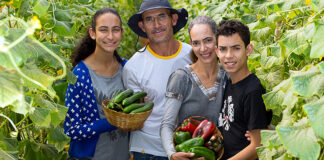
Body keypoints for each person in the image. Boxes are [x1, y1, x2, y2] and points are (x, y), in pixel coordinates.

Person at [122, 0, 192, 159]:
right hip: (148, 151)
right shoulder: (133, 67)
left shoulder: (193, 55)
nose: (156, 24)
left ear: (173, 19)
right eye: (149, 19)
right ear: (142, 26)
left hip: (188, 144)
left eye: (161, 16)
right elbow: (136, 113)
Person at [63, 7, 129, 160]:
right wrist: (113, 122)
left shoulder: (127, 68)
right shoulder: (79, 74)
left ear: (122, 32)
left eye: (116, 30)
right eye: (104, 30)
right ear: (93, 33)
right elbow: (71, 129)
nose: (110, 36)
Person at [160, 16, 227, 160]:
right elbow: (167, 124)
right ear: (191, 44)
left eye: (208, 40)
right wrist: (172, 154)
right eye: (196, 43)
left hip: (221, 153)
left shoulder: (228, 74)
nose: (203, 49)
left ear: (218, 38)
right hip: (191, 154)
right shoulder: (181, 78)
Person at [216, 20, 272, 160]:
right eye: (223, 49)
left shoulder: (253, 90)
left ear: (248, 49)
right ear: (216, 51)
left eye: (236, 48)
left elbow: (257, 146)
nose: (228, 55)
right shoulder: (229, 82)